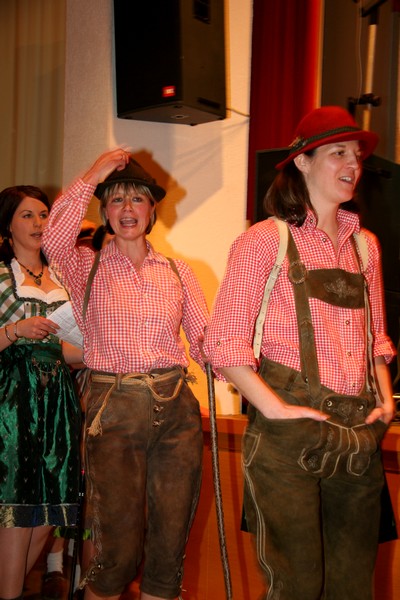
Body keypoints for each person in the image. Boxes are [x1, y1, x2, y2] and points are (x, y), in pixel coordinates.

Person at [203, 106, 396, 600]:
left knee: (353, 588)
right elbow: (223, 341)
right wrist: (275, 409)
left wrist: (385, 399)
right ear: (303, 162)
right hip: (287, 443)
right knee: (297, 586)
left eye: (356, 155)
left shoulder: (366, 246)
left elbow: (376, 338)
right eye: (338, 153)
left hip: (358, 434)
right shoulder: (264, 240)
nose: (352, 164)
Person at [41, 149, 209, 600]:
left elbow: (204, 340)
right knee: (116, 548)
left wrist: (246, 370)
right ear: (105, 213)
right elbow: (53, 237)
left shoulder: (177, 271)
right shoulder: (84, 265)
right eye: (116, 199)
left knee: (170, 547)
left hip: (176, 407)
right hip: (113, 408)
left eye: (137, 198)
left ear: (152, 210)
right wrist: (95, 173)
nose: (127, 208)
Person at [0, 185, 82, 600]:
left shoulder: (64, 277)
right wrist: (17, 330)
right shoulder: (0, 277)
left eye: (44, 215)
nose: (39, 223)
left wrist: (100, 351)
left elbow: (67, 351)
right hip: (13, 397)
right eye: (27, 215)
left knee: (50, 507)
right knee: (17, 503)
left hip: (58, 398)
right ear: (7, 226)